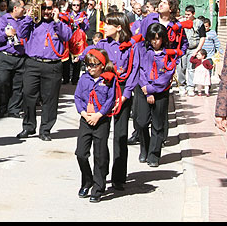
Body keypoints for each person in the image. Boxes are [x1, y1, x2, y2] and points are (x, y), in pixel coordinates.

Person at [93, 11, 141, 190]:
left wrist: (125, 94)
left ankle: (119, 177)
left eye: (107, 24)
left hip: (122, 94)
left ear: (119, 27)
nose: (104, 27)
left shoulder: (131, 47)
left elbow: (134, 70)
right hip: (104, 92)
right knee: (101, 136)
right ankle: (100, 176)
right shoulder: (102, 45)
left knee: (120, 137)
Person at [17, 0, 72, 141]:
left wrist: (56, 20)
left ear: (54, 8)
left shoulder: (59, 23)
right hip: (33, 63)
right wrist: (29, 16)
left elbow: (67, 36)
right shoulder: (34, 23)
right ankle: (28, 126)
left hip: (52, 65)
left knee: (50, 98)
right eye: (43, 8)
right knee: (28, 94)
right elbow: (21, 33)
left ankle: (45, 129)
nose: (46, 11)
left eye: (49, 8)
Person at [74, 48, 118, 202]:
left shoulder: (109, 79)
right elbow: (78, 97)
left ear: (102, 65)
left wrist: (99, 115)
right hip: (86, 119)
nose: (90, 69)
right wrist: (84, 114)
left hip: (101, 120)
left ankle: (98, 187)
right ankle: (87, 180)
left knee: (100, 155)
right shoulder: (84, 78)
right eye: (88, 65)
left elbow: (110, 99)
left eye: (94, 65)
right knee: (81, 153)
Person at [136, 23, 177, 167]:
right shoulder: (142, 50)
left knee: (158, 124)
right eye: (152, 38)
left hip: (160, 92)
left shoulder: (169, 54)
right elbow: (139, 69)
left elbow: (167, 75)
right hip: (143, 89)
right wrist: (145, 87)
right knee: (141, 122)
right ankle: (144, 147)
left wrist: (152, 89)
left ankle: (154, 154)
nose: (155, 42)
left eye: (158, 39)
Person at [0, 0, 33, 119]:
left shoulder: (25, 20)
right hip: (5, 56)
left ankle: (14, 109)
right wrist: (5, 34)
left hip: (20, 56)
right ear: (15, 8)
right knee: (2, 82)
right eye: (22, 8)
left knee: (18, 84)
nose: (24, 10)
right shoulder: (2, 20)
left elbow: (24, 34)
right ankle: (2, 108)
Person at [177, 5, 206, 97]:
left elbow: (202, 37)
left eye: (189, 15)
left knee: (191, 68)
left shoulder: (199, 23)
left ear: (193, 14)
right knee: (181, 67)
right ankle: (182, 85)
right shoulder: (181, 22)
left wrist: (198, 50)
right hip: (182, 48)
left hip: (193, 48)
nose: (187, 16)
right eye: (186, 14)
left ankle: (190, 87)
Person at [63, 0, 89, 85]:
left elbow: (86, 28)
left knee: (77, 61)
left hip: (78, 41)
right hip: (68, 39)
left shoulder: (83, 15)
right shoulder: (67, 14)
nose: (76, 7)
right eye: (74, 5)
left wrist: (82, 23)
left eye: (78, 5)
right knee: (66, 60)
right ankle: (66, 78)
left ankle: (75, 79)